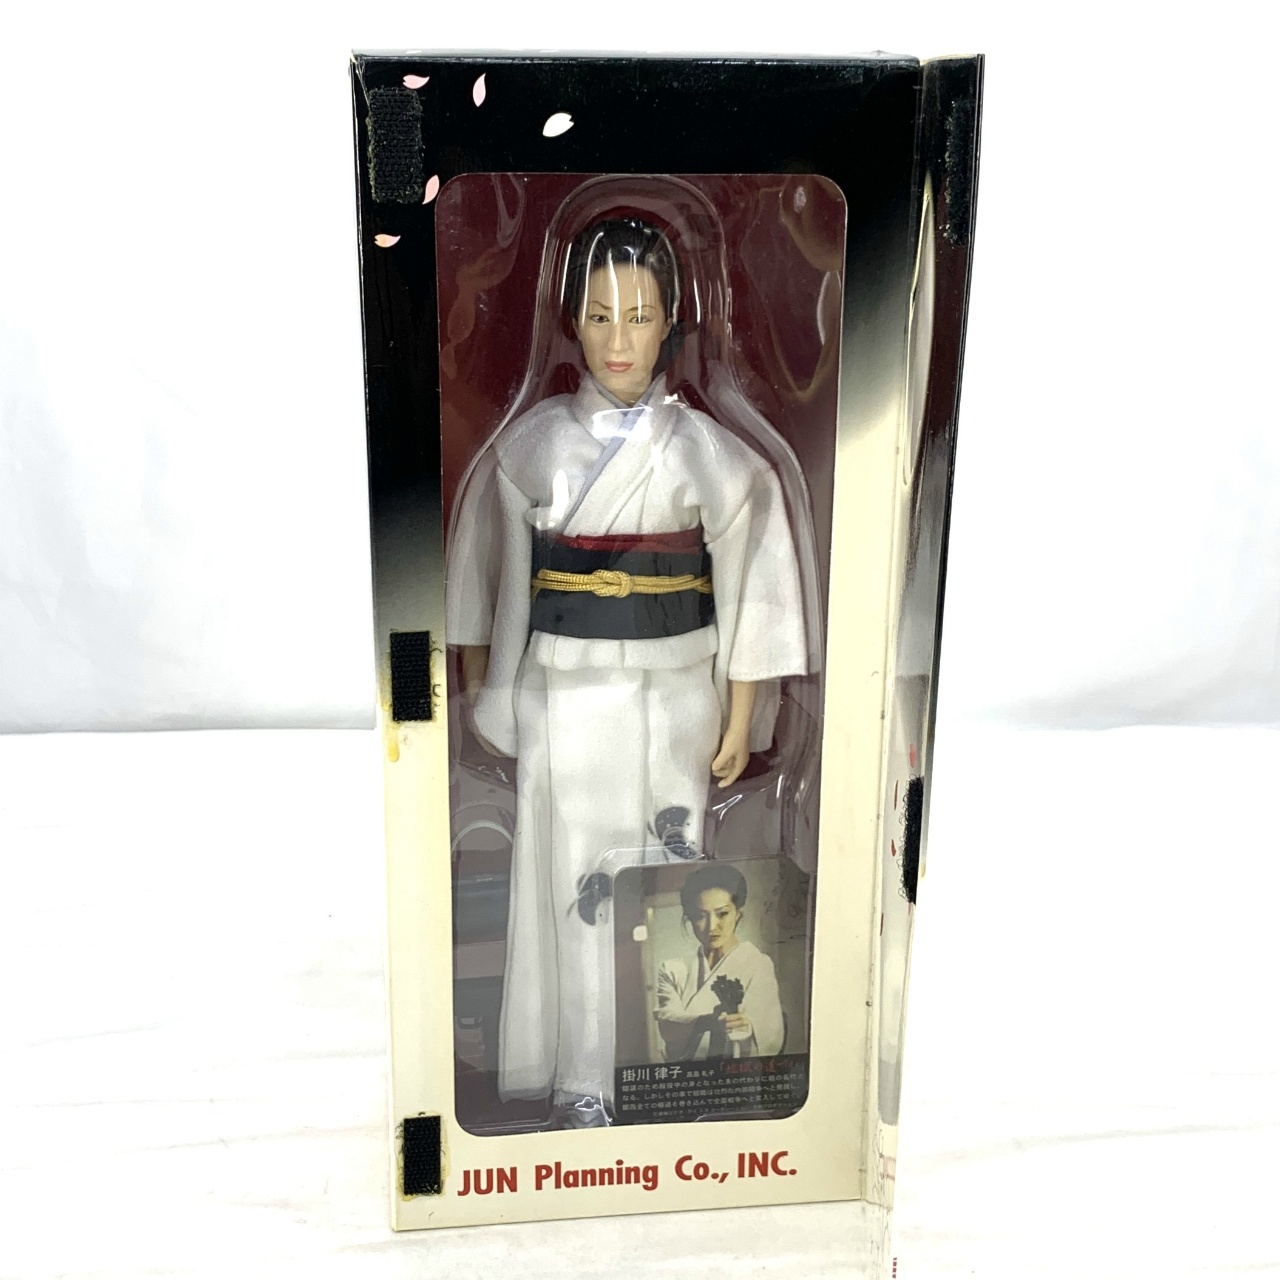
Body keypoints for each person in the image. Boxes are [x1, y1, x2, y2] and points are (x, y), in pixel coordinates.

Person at [445, 213, 807, 1125]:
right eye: (601, 316)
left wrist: (741, 715)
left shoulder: (702, 450)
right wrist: (490, 684)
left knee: (671, 880)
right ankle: (578, 1075)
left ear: (672, 319)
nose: (619, 340)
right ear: (571, 320)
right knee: (571, 880)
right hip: (565, 697)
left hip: (675, 694)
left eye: (640, 317)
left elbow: (753, 578)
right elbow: (493, 579)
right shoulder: (534, 446)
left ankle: (661, 1068)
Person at [654, 864, 785, 1061]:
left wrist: (746, 1028)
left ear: (737, 914)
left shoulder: (758, 964)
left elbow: (770, 1036)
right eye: (701, 916)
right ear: (689, 919)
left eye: (722, 913)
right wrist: (709, 1021)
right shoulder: (673, 970)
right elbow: (668, 1025)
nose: (712, 926)